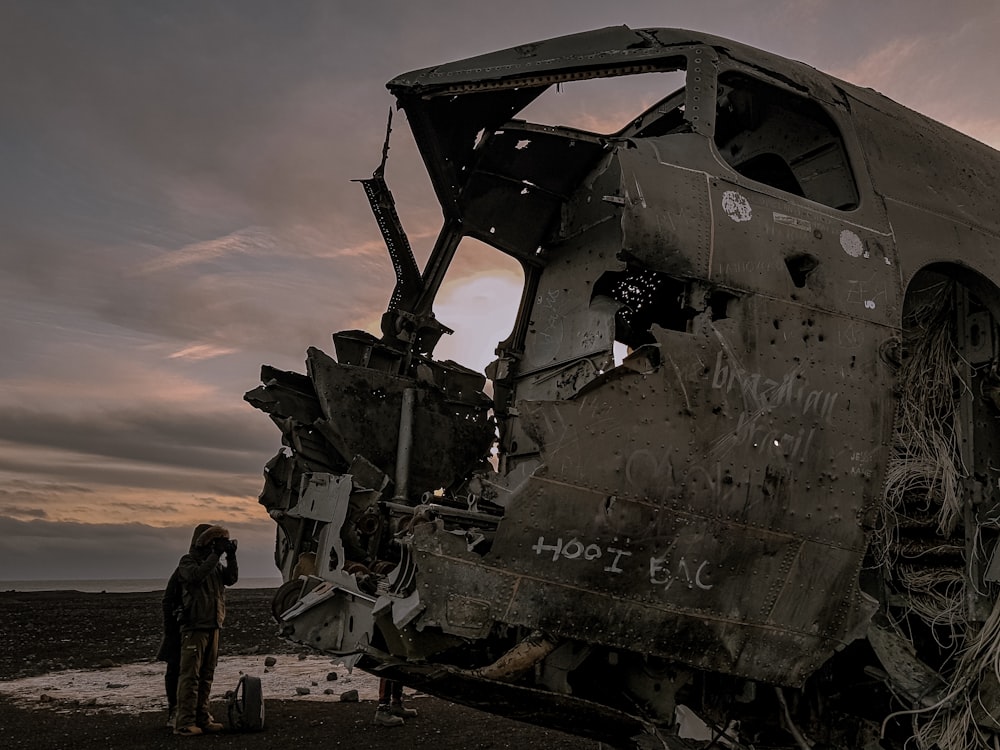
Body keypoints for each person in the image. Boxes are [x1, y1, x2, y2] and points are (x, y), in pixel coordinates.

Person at [173, 523, 239, 736]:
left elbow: (231, 579)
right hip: (195, 626)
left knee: (207, 674)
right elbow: (196, 576)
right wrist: (216, 555)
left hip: (213, 624)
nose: (215, 545)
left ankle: (202, 718)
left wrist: (230, 556)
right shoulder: (187, 562)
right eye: (213, 541)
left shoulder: (215, 565)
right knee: (190, 676)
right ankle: (184, 722)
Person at [156, 567, 182, 728]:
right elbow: (167, 600)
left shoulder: (213, 567)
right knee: (175, 669)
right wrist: (171, 627)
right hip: (179, 627)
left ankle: (188, 709)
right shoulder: (186, 568)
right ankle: (174, 709)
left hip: (198, 625)